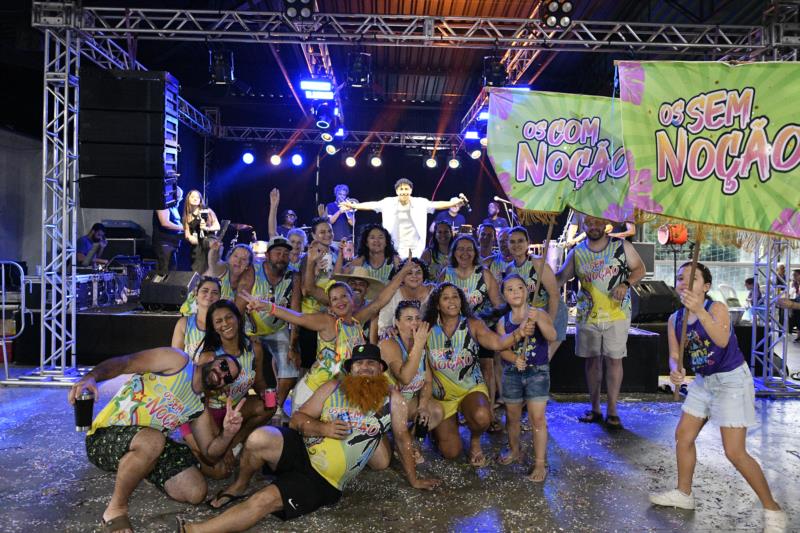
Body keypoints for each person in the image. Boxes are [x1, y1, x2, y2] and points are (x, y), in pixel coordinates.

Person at [178, 344, 440, 532]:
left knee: (264, 500)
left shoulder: (393, 400)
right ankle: (239, 485)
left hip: (322, 480)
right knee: (258, 438)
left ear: (381, 369)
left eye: (371, 364)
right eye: (359, 363)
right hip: (301, 449)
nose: (365, 368)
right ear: (350, 369)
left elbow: (403, 439)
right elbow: (297, 419)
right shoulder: (333, 387)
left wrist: (414, 479)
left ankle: (194, 530)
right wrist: (323, 429)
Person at [650, 262, 786, 533]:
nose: (684, 282)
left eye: (692, 278)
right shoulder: (675, 319)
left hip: (732, 380)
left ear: (706, 286)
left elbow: (722, 340)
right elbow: (675, 354)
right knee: (683, 436)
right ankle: (684, 494)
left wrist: (699, 310)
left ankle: (773, 508)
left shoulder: (717, 309)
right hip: (704, 381)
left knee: (734, 451)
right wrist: (676, 369)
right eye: (680, 278)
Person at [67, 347, 245, 533]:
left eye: (228, 377)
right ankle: (115, 510)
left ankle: (141, 466)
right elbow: (126, 361)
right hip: (105, 436)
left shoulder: (198, 407)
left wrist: (228, 433)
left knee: (195, 492)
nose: (222, 374)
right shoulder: (178, 361)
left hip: (149, 443)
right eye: (224, 366)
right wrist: (91, 377)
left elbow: (210, 453)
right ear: (211, 359)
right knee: (154, 440)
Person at [243, 256, 415, 408]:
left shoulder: (356, 321)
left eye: (344, 296)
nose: (340, 301)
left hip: (336, 394)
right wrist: (267, 306)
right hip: (312, 392)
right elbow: (298, 317)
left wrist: (403, 272)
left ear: (352, 299)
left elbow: (380, 301)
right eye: (334, 299)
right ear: (331, 306)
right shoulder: (328, 322)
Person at [423, 283, 534, 467]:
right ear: (437, 305)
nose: (452, 301)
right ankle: (438, 430)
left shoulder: (472, 324)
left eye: (455, 296)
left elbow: (497, 343)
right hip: (442, 397)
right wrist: (391, 330)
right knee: (451, 452)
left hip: (470, 389)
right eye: (446, 298)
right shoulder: (426, 329)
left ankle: (475, 441)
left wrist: (518, 333)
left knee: (482, 416)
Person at [557, 215, 645, 429]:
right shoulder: (577, 252)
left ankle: (612, 410)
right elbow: (560, 278)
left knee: (614, 360)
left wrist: (625, 283)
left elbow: (639, 269)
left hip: (617, 314)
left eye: (597, 222)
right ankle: (595, 408)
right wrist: (539, 272)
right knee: (592, 361)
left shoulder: (621, 246)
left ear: (605, 224)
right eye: (589, 223)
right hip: (588, 315)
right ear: (583, 225)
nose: (593, 226)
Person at [190, 300, 275, 484]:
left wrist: (265, 393)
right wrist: (220, 440)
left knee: (267, 407)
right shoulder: (209, 357)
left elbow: (259, 380)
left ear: (238, 318)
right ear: (213, 327)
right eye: (218, 321)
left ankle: (235, 443)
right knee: (221, 472)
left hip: (234, 411)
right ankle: (191, 452)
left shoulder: (254, 349)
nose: (225, 323)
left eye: (229, 317)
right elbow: (200, 404)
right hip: (208, 414)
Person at [495, 274, 557, 482]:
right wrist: (515, 359)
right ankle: (514, 450)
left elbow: (552, 336)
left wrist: (538, 320)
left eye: (519, 287)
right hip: (512, 373)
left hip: (537, 372)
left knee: (537, 418)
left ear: (527, 290)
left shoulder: (538, 313)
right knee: (512, 416)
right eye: (510, 289)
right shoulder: (503, 322)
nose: (515, 292)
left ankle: (540, 463)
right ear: (504, 295)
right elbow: (502, 348)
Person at [439, 235, 504, 430]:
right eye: (460, 249)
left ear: (475, 252)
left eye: (469, 249)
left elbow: (498, 304)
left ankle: (490, 413)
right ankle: (461, 410)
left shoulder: (484, 274)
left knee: (487, 367)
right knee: (458, 369)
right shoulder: (446, 274)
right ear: (454, 252)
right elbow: (436, 303)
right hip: (453, 331)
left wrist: (496, 326)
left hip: (481, 328)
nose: (465, 253)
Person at [379, 300, 444, 462]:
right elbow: (405, 378)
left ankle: (410, 442)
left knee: (435, 410)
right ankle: (398, 442)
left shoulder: (420, 345)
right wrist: (419, 345)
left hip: (406, 403)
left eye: (417, 318)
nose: (414, 322)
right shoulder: (389, 344)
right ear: (397, 323)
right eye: (408, 319)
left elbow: (427, 381)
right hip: (386, 406)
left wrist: (422, 407)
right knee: (383, 461)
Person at [338, 178, 464, 258]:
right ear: (397, 191)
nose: (404, 191)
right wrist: (354, 205)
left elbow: (436, 204)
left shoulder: (420, 202)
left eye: (406, 189)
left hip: (415, 245)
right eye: (401, 189)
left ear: (411, 190)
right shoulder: (388, 202)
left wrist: (452, 203)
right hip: (394, 244)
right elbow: (372, 205)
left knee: (413, 270)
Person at [249, 236, 302, 423]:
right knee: (250, 369)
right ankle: (262, 405)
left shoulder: (293, 275)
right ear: (267, 255)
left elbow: (295, 311)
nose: (282, 257)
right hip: (249, 330)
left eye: (286, 253)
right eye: (277, 252)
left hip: (277, 329)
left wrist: (293, 346)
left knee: (290, 369)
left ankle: (275, 408)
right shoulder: (253, 270)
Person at [505, 226, 567, 359]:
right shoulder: (509, 269)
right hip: (533, 316)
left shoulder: (538, 263)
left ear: (528, 242)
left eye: (520, 241)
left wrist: (549, 323)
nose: (516, 245)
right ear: (507, 244)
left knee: (544, 358)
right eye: (512, 242)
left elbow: (554, 295)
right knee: (532, 359)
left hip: (552, 312)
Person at [377, 258, 434, 338]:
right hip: (401, 337)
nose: (414, 276)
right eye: (409, 273)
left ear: (423, 276)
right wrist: (388, 329)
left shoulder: (433, 292)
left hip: (431, 336)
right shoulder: (393, 294)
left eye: (418, 272)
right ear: (402, 277)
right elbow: (383, 325)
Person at [171, 276, 222, 360]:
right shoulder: (183, 324)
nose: (209, 295)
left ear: (219, 297)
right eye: (205, 291)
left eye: (215, 292)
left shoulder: (224, 324)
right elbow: (175, 359)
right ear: (196, 294)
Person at [183, 189, 220, 275]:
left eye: (197, 197)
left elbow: (217, 226)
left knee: (211, 268)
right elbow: (187, 234)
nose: (195, 199)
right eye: (193, 197)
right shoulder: (187, 216)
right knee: (197, 269)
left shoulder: (207, 211)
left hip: (209, 240)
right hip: (197, 245)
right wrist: (191, 238)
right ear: (188, 199)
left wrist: (207, 228)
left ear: (200, 200)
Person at [152, 186, 184, 277]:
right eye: (178, 197)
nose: (179, 199)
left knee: (172, 270)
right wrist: (183, 228)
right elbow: (165, 223)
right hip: (164, 243)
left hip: (173, 243)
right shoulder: (163, 205)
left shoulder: (173, 207)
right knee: (164, 271)